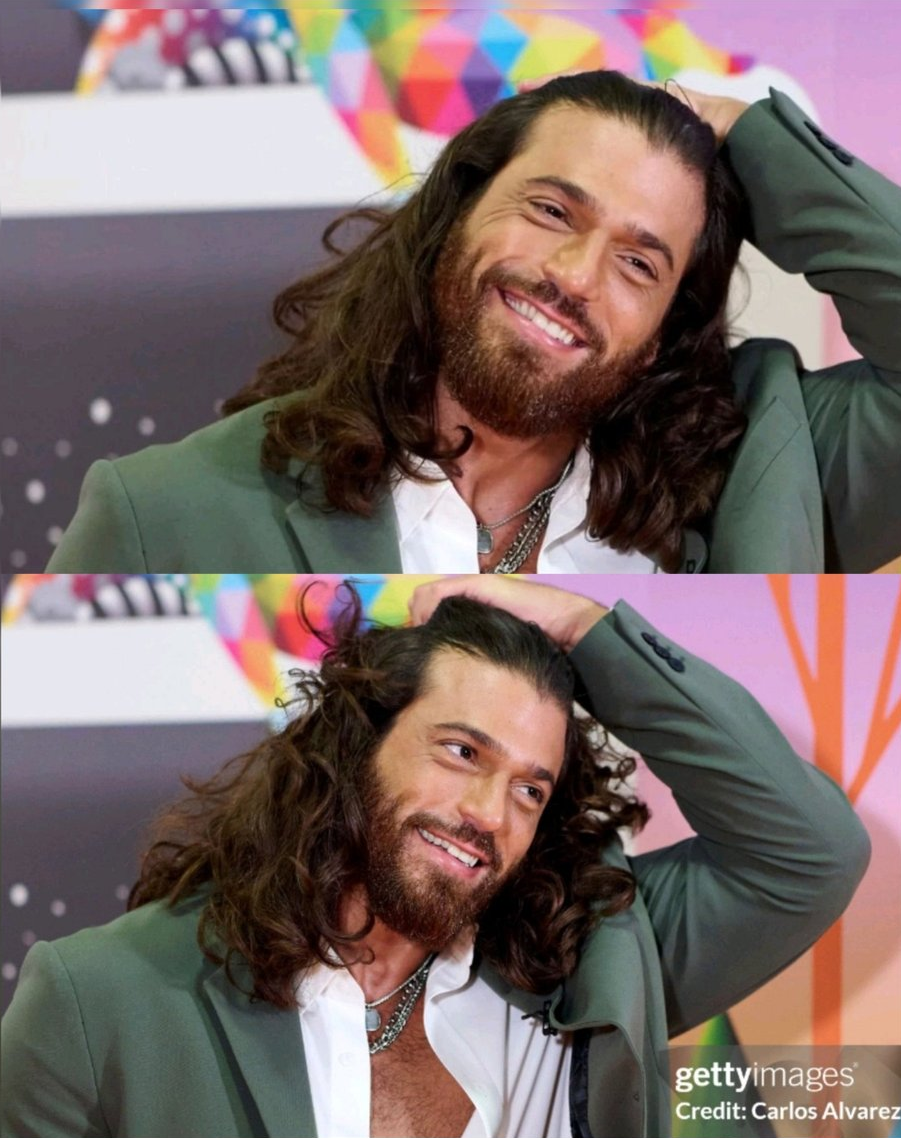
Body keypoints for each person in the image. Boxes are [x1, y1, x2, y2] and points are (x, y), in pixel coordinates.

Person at [1, 576, 870, 1138]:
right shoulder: (100, 1001)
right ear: (358, 743)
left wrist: (589, 630)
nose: (488, 813)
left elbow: (811, 852)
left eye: (529, 789)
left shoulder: (589, 963)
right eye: (461, 751)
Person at [46, 70, 900, 575]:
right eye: (551, 211)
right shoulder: (163, 513)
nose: (574, 277)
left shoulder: (761, 476)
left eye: (638, 263)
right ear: (454, 214)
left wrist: (755, 137)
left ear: (662, 338)